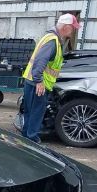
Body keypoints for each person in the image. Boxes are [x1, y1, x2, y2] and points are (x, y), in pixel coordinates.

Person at [20, 13, 81, 143]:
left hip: (33, 82)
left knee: (31, 113)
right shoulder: (53, 41)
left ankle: (26, 139)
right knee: (36, 114)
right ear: (66, 27)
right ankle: (32, 141)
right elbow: (40, 61)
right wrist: (39, 81)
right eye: (73, 27)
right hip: (38, 84)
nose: (74, 30)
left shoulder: (51, 38)